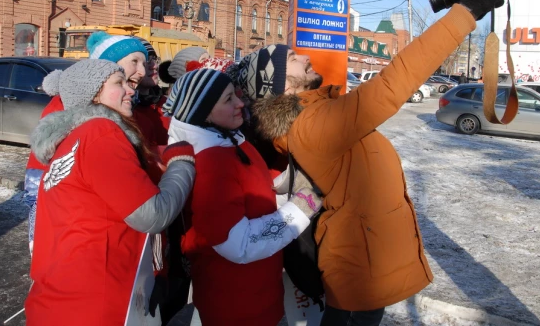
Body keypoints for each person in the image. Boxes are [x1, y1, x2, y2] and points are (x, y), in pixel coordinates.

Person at [228, 0, 511, 326]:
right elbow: (395, 82)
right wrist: (467, 11)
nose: (307, 57)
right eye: (295, 60)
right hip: (357, 270)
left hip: (365, 262)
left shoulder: (316, 112)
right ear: (280, 84)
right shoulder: (313, 125)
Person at [25, 59, 196, 325]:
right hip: (97, 304)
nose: (131, 90)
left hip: (62, 300)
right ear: (92, 94)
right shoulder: (100, 132)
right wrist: (183, 162)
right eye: (119, 84)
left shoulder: (74, 139)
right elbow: (152, 214)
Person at [162, 69, 323, 326]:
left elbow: (255, 194)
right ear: (203, 111)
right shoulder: (211, 162)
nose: (240, 103)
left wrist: (291, 183)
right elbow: (238, 243)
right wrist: (305, 206)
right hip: (234, 305)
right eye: (228, 100)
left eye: (235, 95)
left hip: (260, 294)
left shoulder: (234, 142)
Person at [22, 32, 148, 255]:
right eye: (134, 62)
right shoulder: (76, 105)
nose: (143, 71)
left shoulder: (119, 102)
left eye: (145, 63)